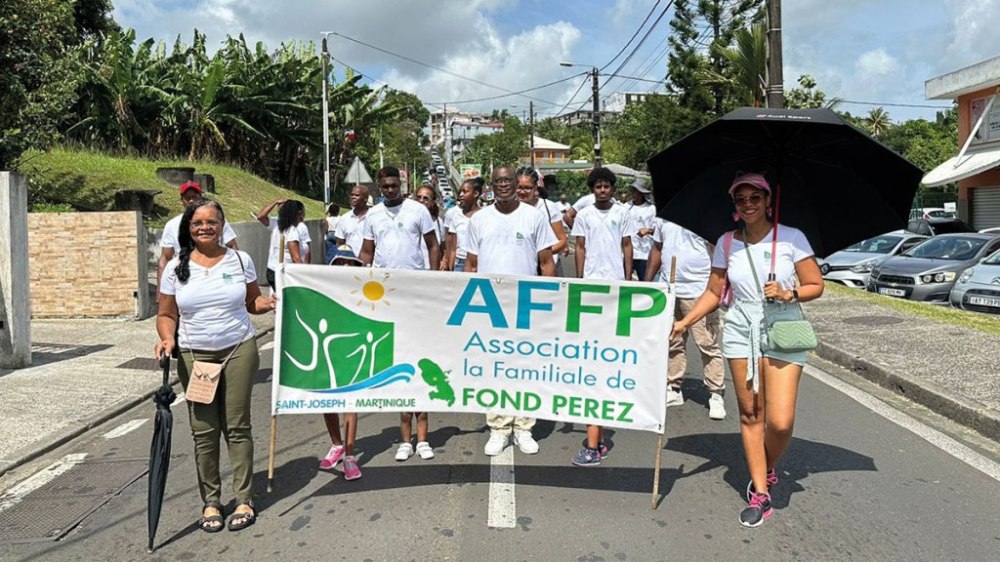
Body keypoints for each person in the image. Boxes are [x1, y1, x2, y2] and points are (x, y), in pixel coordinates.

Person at [671, 172, 824, 528]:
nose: (748, 204)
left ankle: (765, 465)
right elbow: (714, 291)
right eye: (740, 200)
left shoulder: (792, 238)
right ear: (735, 206)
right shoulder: (727, 242)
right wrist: (683, 323)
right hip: (741, 327)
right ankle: (760, 491)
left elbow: (815, 284)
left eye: (755, 197)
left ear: (769, 201)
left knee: (780, 422)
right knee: (751, 414)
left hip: (783, 325)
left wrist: (789, 293)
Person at [154, 200, 275, 533]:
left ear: (223, 226)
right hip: (194, 356)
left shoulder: (240, 260)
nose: (205, 227)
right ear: (188, 228)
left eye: (212, 222)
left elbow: (252, 302)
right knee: (204, 431)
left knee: (237, 426)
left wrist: (270, 302)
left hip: (239, 350)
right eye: (197, 223)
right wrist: (167, 338)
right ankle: (211, 501)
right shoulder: (175, 267)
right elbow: (166, 314)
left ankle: (244, 499)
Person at [465, 165, 557, 456]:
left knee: (526, 365)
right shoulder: (479, 220)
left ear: (516, 184)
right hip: (490, 306)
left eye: (508, 180)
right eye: (498, 181)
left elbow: (546, 263)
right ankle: (499, 428)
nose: (503, 185)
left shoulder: (534, 216)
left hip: (527, 305)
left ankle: (524, 427)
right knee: (494, 367)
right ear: (491, 186)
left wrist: (551, 303)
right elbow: (471, 265)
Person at [359, 166, 440, 462]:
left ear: (401, 185)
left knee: (419, 357)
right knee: (397, 360)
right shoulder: (373, 215)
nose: (390, 190)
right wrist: (357, 279)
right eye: (385, 186)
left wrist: (433, 279)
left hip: (416, 293)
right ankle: (405, 439)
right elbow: (366, 253)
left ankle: (423, 438)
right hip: (385, 296)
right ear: (379, 187)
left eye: (394, 185)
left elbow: (433, 245)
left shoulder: (418, 210)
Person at [568, 166, 632, 466]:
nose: (602, 190)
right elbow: (580, 247)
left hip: (616, 283)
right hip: (592, 284)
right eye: (598, 186)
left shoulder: (622, 213)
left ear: (613, 188)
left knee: (611, 342)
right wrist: (580, 279)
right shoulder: (585, 215)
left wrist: (629, 279)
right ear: (592, 189)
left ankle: (597, 439)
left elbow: (627, 245)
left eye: (607, 186)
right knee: (590, 342)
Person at [646, 217, 726, 420]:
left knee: (706, 343)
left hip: (699, 291)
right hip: (670, 289)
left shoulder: (706, 220)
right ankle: (674, 387)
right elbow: (657, 249)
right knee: (673, 341)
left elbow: (720, 252)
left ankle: (716, 393)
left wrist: (719, 288)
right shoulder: (663, 219)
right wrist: (647, 283)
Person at [318, 244, 364, 480]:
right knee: (327, 401)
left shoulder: (362, 291)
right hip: (327, 352)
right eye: (340, 262)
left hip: (352, 352)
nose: (345, 266)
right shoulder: (321, 289)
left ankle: (350, 454)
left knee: (350, 401)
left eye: (350, 262)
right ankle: (336, 444)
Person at [157, 181, 238, 291]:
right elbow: (165, 258)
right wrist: (160, 290)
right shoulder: (172, 225)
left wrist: (235, 274)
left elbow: (232, 246)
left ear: (201, 197)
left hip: (216, 275)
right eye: (187, 198)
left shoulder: (216, 221)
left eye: (194, 196)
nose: (191, 200)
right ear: (182, 201)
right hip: (186, 278)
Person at [515, 167, 567, 269]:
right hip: (521, 268)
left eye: (527, 188)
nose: (522, 191)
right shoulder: (510, 208)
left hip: (548, 265)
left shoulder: (549, 208)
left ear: (535, 188)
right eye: (519, 187)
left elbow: (562, 240)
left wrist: (541, 254)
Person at [258, 199, 310, 290]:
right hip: (284, 273)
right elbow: (296, 258)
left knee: (279, 297)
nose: (303, 215)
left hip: (272, 270)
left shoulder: (278, 226)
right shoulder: (291, 231)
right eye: (302, 212)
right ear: (297, 213)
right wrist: (305, 276)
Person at [445, 177, 483, 272]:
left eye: (465, 192)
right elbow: (453, 249)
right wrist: (451, 269)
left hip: (479, 263)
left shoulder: (484, 216)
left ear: (476, 194)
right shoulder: (456, 217)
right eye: (460, 192)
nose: (461, 195)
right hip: (459, 263)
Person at [625, 178, 656, 282]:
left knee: (644, 282)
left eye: (638, 191)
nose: (635, 194)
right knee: (625, 281)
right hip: (627, 252)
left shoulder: (651, 209)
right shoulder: (626, 207)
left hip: (644, 253)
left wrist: (648, 230)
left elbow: (658, 230)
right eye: (634, 190)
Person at [413, 184, 448, 271]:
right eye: (418, 197)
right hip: (412, 269)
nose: (421, 200)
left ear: (432, 202)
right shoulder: (407, 220)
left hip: (431, 270)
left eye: (425, 198)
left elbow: (443, 248)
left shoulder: (438, 222)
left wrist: (444, 261)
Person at [333, 185, 371, 257]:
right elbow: (340, 243)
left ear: (365, 199)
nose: (353, 197)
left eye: (357, 195)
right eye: (352, 195)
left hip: (370, 261)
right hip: (350, 260)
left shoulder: (373, 216)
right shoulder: (344, 219)